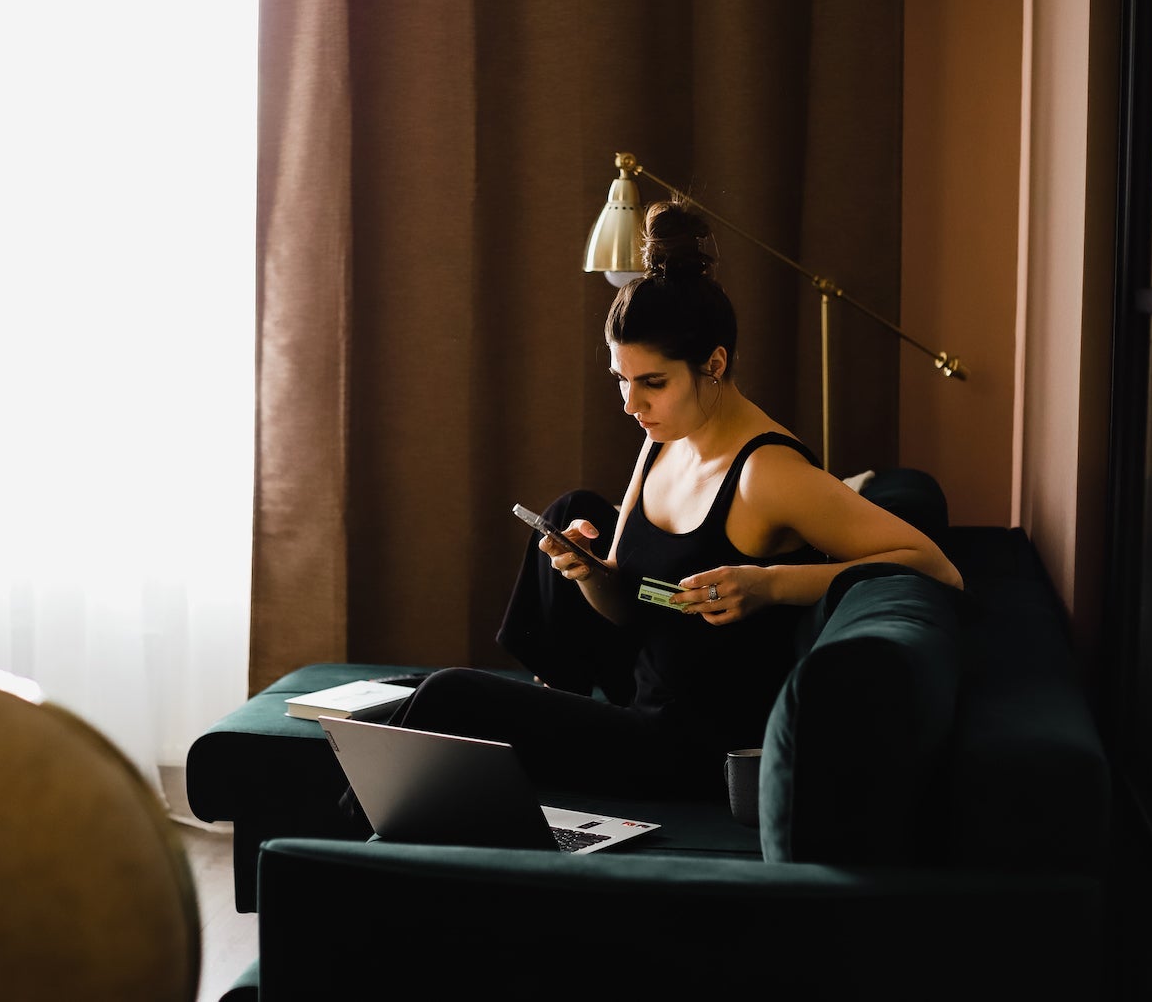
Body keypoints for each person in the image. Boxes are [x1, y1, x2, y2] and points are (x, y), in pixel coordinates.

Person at [351, 200, 963, 813]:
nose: (630, 404)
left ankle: (335, 849)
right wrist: (587, 572)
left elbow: (936, 567)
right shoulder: (663, 436)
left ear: (714, 364)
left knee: (449, 698)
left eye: (652, 382)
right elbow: (624, 605)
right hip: (641, 692)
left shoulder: (768, 474)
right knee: (568, 515)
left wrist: (772, 585)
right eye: (621, 379)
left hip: (694, 747)